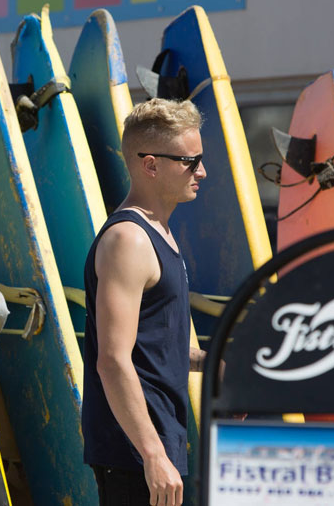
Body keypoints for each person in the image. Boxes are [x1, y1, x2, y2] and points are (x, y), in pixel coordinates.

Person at [82, 98, 207, 506]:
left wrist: (209, 361)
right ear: (150, 165)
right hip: (136, 451)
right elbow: (113, 359)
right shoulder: (129, 239)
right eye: (190, 162)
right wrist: (153, 455)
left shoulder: (160, 233)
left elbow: (147, 345)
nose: (201, 172)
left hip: (158, 440)